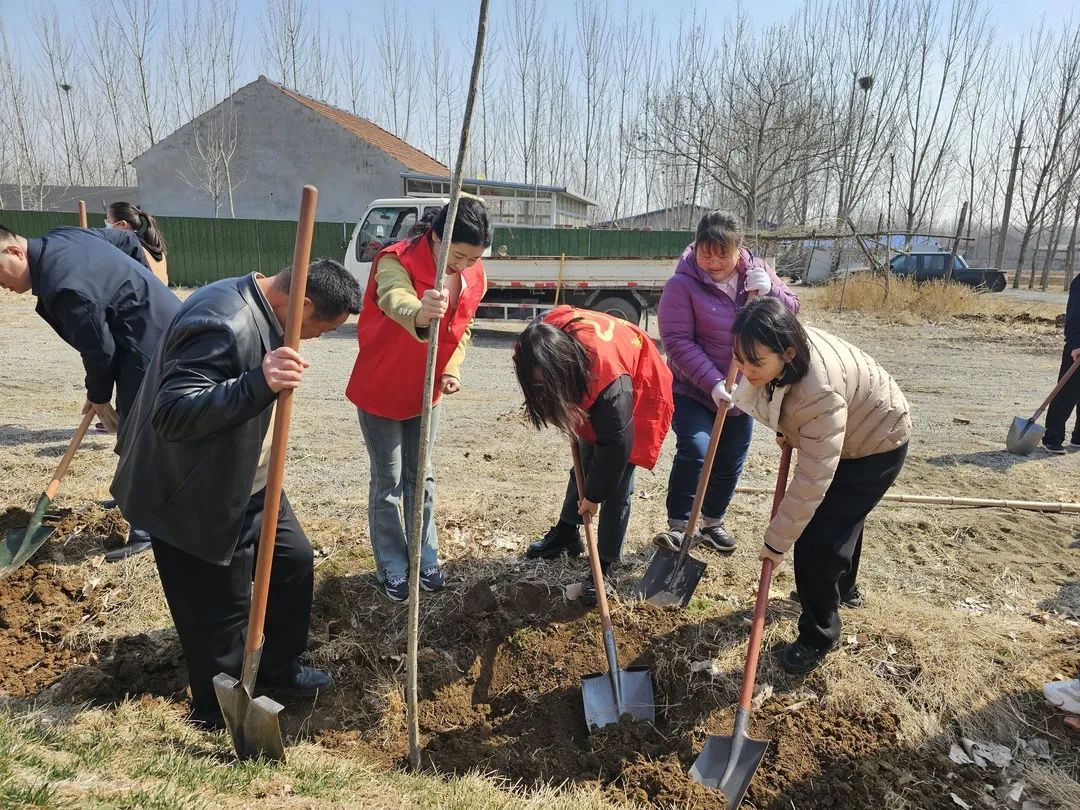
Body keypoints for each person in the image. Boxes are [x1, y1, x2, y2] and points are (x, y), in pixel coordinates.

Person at [110, 259, 362, 730]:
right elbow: (173, 413)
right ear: (303, 304)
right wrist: (257, 383)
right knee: (219, 613)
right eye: (320, 329)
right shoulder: (224, 321)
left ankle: (278, 668)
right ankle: (216, 711)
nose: (314, 340)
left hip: (249, 482)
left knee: (293, 561)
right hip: (191, 493)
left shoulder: (267, 313)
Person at [731, 297, 911, 674]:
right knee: (840, 521)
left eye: (755, 363)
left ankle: (818, 635)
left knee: (818, 540)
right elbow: (786, 403)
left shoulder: (820, 393)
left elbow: (811, 482)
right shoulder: (783, 350)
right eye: (739, 359)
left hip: (878, 440)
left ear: (788, 352)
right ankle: (845, 590)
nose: (745, 370)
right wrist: (789, 429)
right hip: (853, 425)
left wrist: (775, 543)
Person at [0, 224, 180, 560]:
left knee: (138, 437)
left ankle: (146, 529)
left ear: (14, 252)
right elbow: (126, 239)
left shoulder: (62, 285)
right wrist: (142, 285)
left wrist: (98, 395)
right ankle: (130, 496)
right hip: (150, 330)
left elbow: (100, 351)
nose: (2, 286)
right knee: (131, 428)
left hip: (148, 344)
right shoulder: (63, 237)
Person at [346, 199, 491, 602]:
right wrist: (421, 312)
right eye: (457, 255)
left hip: (426, 392)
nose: (463, 265)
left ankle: (425, 556)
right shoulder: (396, 259)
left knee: (422, 476)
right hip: (382, 386)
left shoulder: (474, 274)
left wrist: (452, 367)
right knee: (389, 480)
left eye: (473, 258)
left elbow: (463, 326)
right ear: (436, 236)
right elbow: (394, 297)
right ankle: (392, 564)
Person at [656, 210, 799, 553]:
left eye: (723, 254)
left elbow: (792, 311)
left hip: (743, 391)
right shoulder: (682, 285)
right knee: (696, 450)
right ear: (695, 247)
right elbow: (677, 341)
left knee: (731, 459)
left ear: (739, 247)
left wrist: (772, 293)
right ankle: (680, 526)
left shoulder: (757, 273)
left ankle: (712, 523)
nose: (714, 262)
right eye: (706, 253)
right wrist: (713, 382)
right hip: (694, 388)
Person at [517, 306, 674, 601]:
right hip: (592, 374)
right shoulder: (534, 342)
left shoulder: (610, 385)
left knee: (617, 483)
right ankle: (567, 534)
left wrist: (593, 496)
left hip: (640, 378)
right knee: (585, 458)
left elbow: (617, 444)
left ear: (563, 367)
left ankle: (605, 564)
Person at [1042, 271, 1080, 454]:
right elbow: (1074, 315)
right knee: (1066, 393)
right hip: (1078, 347)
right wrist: (1076, 343)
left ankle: (1079, 437)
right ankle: (1052, 438)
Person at [105, 201, 169, 286]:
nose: (106, 224)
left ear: (122, 224)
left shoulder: (128, 247)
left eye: (108, 220)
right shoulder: (150, 245)